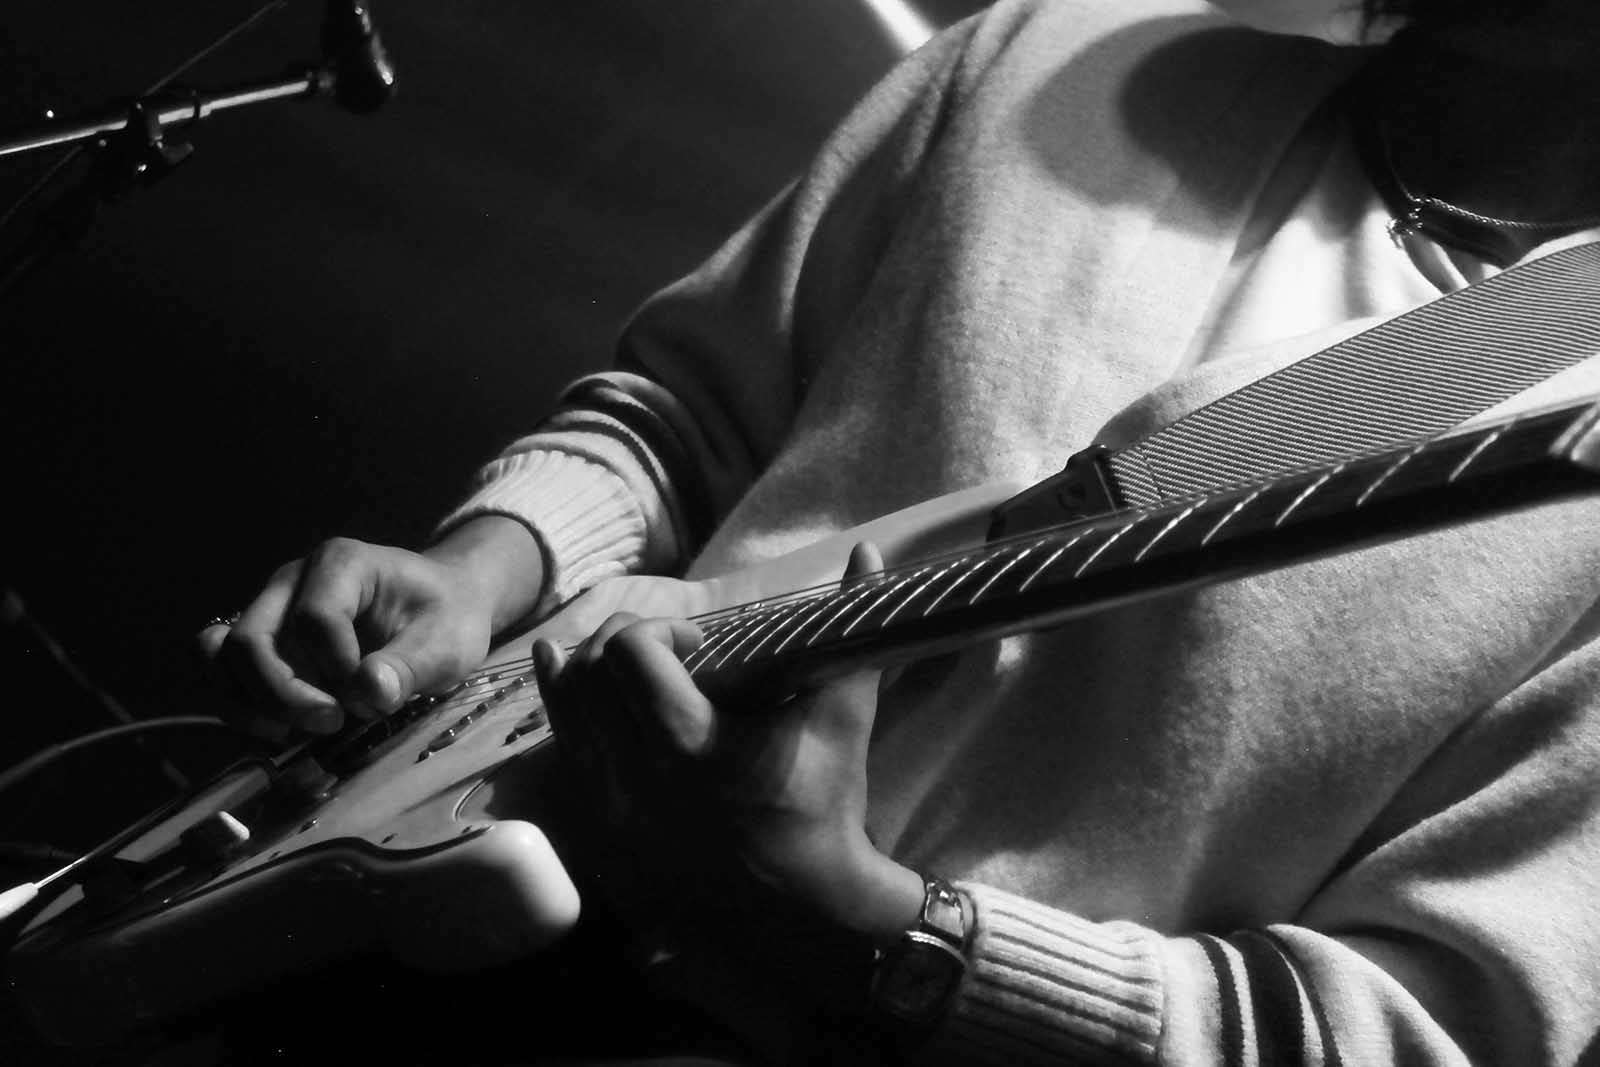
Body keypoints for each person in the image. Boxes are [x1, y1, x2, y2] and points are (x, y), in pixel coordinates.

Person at [205, 0, 1600, 1063]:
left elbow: (1415, 1029)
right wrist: (485, 564)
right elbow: (690, 416)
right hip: (416, 912)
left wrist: (871, 925)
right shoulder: (1064, 49)